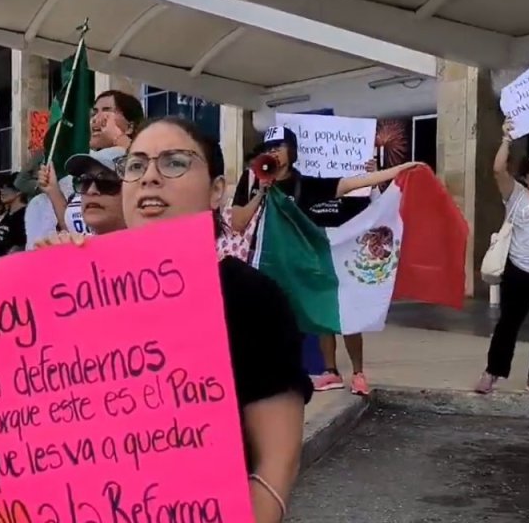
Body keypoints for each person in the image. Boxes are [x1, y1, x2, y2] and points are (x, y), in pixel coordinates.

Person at [39, 116, 312, 523]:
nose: (150, 177)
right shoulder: (78, 290)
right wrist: (47, 288)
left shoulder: (250, 297)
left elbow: (276, 462)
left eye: (174, 162)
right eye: (136, 166)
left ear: (216, 190)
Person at [230, 126, 421, 395]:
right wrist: (261, 192)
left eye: (279, 147)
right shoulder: (251, 182)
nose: (272, 152)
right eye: (268, 148)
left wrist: (398, 171)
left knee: (342, 313)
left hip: (308, 262)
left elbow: (350, 184)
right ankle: (315, 373)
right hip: (272, 268)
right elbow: (238, 222)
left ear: (292, 151)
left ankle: (357, 373)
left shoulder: (306, 183)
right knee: (282, 322)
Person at [20, 90, 145, 245]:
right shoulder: (85, 166)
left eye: (106, 111)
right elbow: (77, 231)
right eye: (94, 112)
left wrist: (120, 138)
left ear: (130, 126)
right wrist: (53, 191)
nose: (96, 119)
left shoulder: (138, 162)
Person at [476, 118, 529, 394]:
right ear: (526, 174)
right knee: (507, 324)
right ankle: (492, 371)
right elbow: (498, 169)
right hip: (519, 270)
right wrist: (506, 139)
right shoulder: (516, 195)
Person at [0, 173, 27, 257]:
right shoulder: (6, 215)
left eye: (7, 188)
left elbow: (21, 245)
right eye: (2, 187)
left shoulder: (24, 216)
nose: (2, 190)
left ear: (19, 191)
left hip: (10, 265)